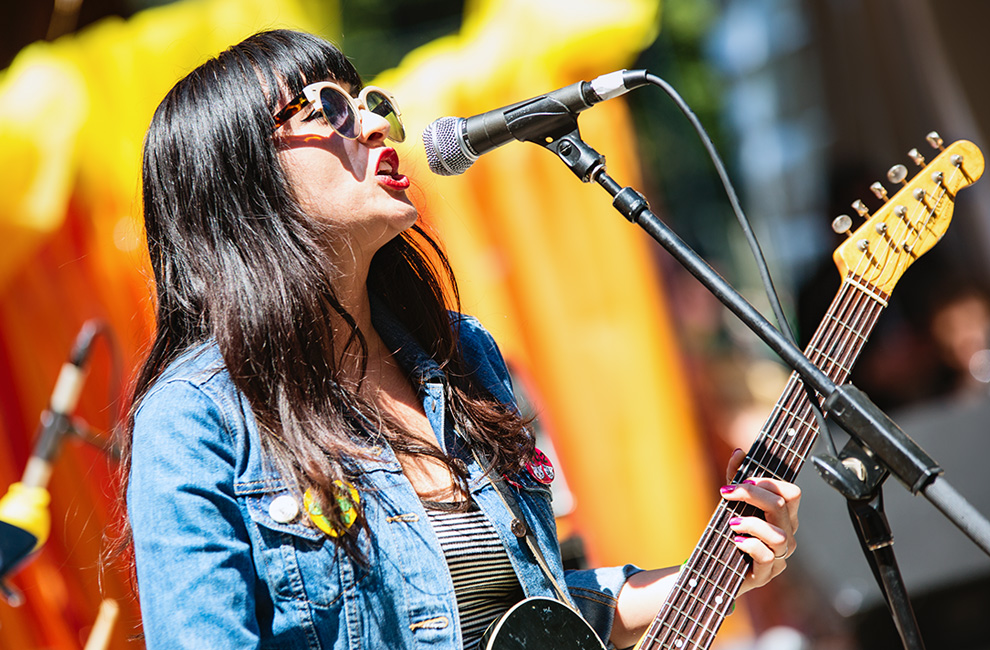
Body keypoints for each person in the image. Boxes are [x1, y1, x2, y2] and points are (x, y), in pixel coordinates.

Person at [124, 29, 801, 650]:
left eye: (371, 102)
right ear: (240, 178)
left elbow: (537, 613)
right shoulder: (194, 421)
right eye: (326, 108)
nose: (374, 123)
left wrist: (718, 570)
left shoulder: (461, 356)